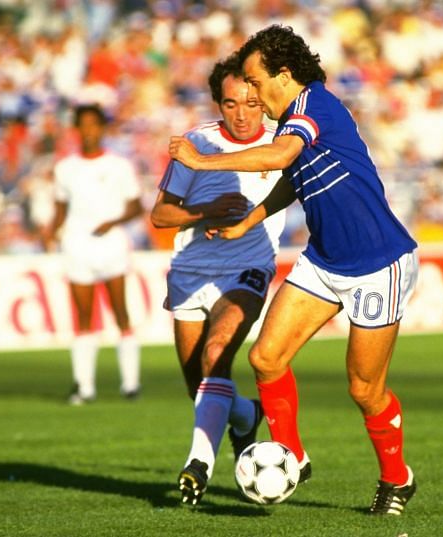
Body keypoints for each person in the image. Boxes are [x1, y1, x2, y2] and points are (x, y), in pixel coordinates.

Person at [168, 25, 419, 516]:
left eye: (257, 83)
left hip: (377, 263)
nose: (253, 95)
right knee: (265, 359)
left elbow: (282, 156)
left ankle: (397, 478)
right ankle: (292, 456)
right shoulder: (293, 120)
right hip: (324, 260)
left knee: (364, 390)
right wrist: (250, 221)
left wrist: (202, 161)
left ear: (284, 74)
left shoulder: (313, 107)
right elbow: (292, 177)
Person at [151, 53, 286, 505]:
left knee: (216, 353)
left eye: (250, 103)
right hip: (190, 271)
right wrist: (205, 210)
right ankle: (246, 416)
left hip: (247, 268)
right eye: (231, 104)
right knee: (201, 385)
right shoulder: (196, 144)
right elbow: (161, 214)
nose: (242, 114)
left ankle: (198, 466)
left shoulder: (282, 143)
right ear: (218, 104)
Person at [43, 103, 144, 405]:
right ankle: (84, 387)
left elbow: (136, 206)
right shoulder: (65, 168)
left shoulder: (119, 166)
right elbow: (60, 210)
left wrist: (113, 221)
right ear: (76, 130)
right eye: (82, 125)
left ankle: (130, 383)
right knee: (84, 316)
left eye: (93, 125)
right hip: (77, 244)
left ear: (102, 129)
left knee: (120, 312)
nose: (88, 131)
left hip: (111, 242)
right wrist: (50, 230)